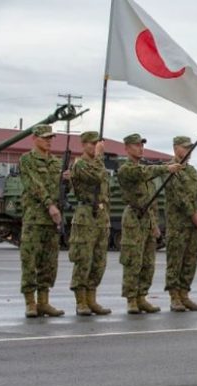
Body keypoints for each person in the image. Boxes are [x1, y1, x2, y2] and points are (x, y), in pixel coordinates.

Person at [117, 133, 183, 314]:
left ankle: (141, 296)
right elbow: (143, 173)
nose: (140, 148)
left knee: (148, 262)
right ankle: (131, 299)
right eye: (136, 145)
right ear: (127, 148)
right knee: (133, 261)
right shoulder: (126, 169)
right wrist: (166, 168)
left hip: (147, 218)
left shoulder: (145, 167)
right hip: (133, 217)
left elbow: (151, 200)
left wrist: (154, 223)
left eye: (142, 145)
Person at [18, 124, 66, 318]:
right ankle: (30, 303)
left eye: (51, 137)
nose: (49, 140)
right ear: (35, 138)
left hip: (52, 221)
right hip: (35, 218)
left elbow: (61, 191)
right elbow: (34, 185)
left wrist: (67, 180)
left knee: (49, 263)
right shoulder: (27, 160)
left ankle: (44, 302)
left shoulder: (56, 162)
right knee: (30, 261)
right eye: (45, 137)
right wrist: (49, 205)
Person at [164, 136, 197, 312]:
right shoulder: (171, 169)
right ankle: (174, 297)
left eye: (190, 148)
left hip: (191, 226)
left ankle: (184, 294)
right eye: (185, 148)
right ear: (176, 148)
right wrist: (196, 218)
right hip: (178, 225)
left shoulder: (190, 171)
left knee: (190, 261)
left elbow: (195, 193)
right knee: (175, 262)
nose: (189, 151)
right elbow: (180, 198)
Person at [68, 131, 112, 316]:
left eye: (97, 144)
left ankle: (92, 299)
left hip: (101, 215)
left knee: (99, 261)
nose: (95, 147)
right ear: (84, 145)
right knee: (83, 259)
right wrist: (100, 155)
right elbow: (95, 176)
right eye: (92, 144)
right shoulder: (80, 165)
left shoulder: (97, 164)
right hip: (85, 215)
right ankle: (81, 302)